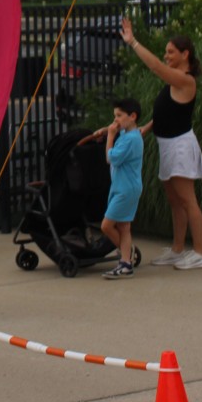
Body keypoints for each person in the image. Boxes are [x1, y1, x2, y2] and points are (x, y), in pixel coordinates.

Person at [121, 18, 202, 269]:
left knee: (187, 199)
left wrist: (133, 42)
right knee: (174, 200)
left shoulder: (185, 80)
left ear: (185, 54)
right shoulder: (175, 81)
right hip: (167, 145)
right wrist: (147, 128)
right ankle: (178, 249)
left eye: (171, 52)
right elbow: (168, 112)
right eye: (166, 52)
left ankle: (201, 253)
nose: (166, 55)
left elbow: (156, 67)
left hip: (180, 145)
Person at [83, 98, 144, 279]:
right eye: (114, 116)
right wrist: (106, 130)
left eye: (119, 115)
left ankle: (126, 256)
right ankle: (126, 262)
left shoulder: (131, 139)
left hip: (126, 189)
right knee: (124, 226)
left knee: (107, 225)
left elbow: (111, 158)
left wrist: (109, 136)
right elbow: (120, 132)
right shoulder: (128, 133)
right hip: (122, 187)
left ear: (132, 116)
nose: (115, 120)